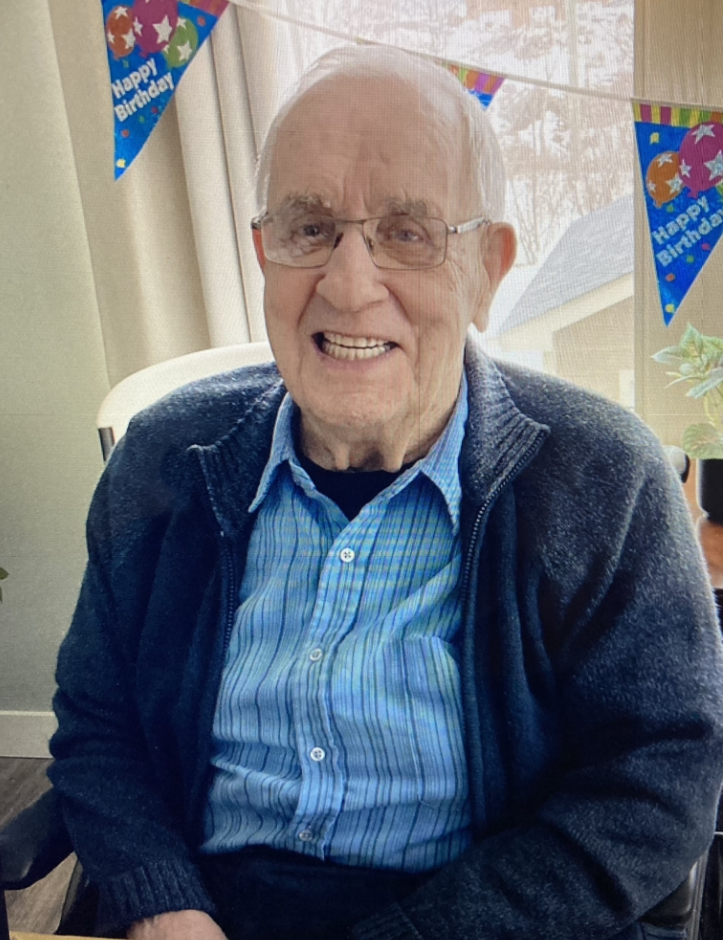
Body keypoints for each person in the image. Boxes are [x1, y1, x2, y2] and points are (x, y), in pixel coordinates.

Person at [49, 46, 723, 940]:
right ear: (263, 253)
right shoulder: (163, 459)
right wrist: (158, 899)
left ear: (487, 268)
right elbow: (98, 725)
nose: (348, 285)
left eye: (408, 233)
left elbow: (658, 777)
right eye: (308, 228)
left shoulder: (607, 480)